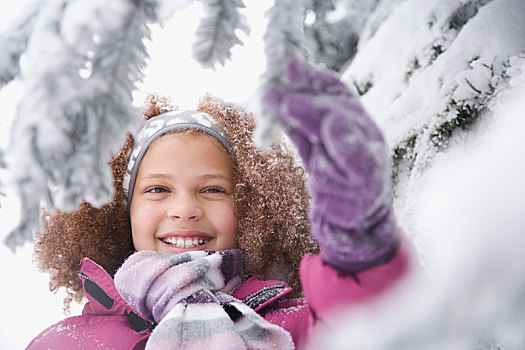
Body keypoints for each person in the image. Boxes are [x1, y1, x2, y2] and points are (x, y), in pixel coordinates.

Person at [27, 60, 411, 349]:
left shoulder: (300, 322)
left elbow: (388, 320)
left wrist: (361, 243)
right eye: (158, 190)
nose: (185, 209)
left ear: (250, 206)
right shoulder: (66, 342)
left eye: (212, 189)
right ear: (118, 212)